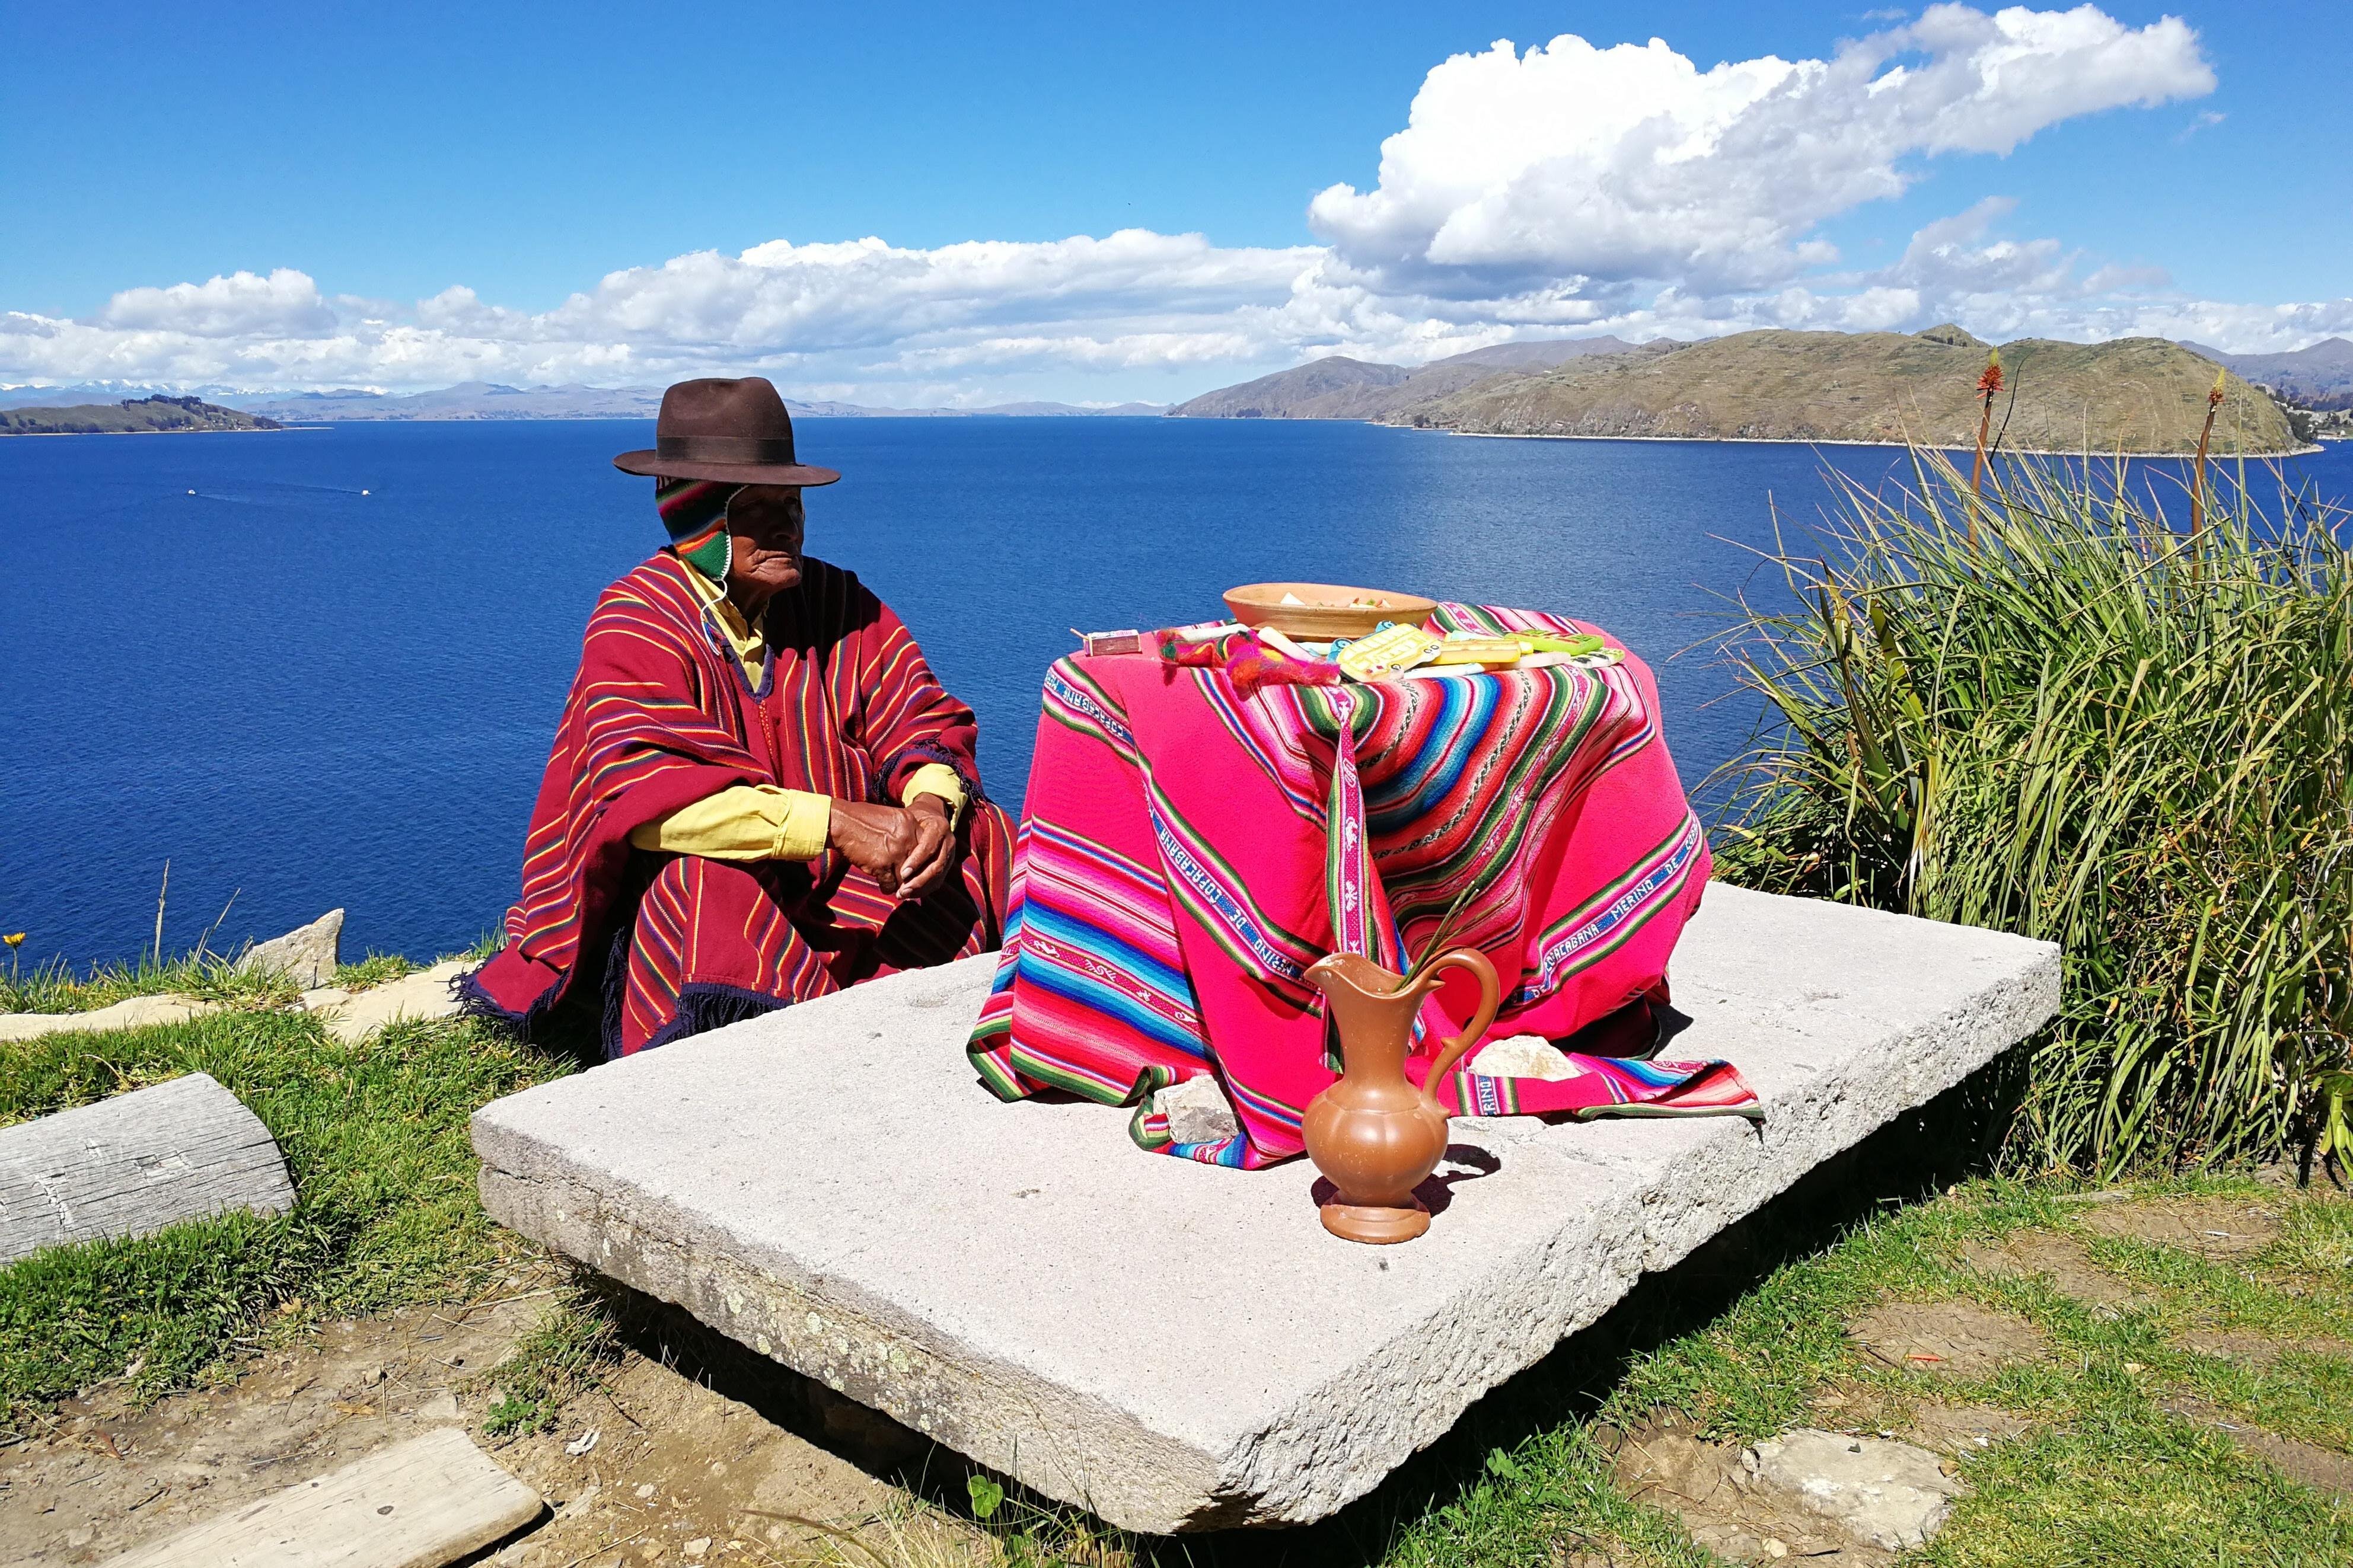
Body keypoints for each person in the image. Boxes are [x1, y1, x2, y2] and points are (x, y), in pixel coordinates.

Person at [467, 376, 1013, 1056]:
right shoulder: (638, 621)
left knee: (977, 830)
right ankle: (749, 1058)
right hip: (726, 894)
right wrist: (836, 824)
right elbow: (647, 802)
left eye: (790, 503)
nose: (785, 526)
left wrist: (928, 807)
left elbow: (917, 715)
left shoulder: (838, 601)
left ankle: (968, 1009)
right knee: (702, 884)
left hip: (835, 886)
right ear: (691, 513)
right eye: (753, 507)